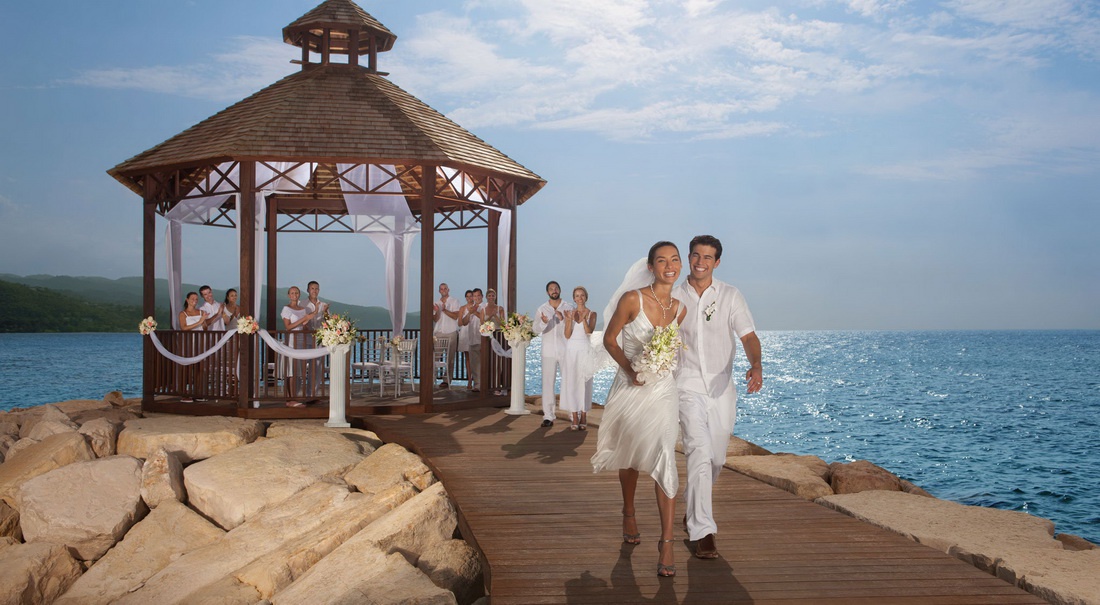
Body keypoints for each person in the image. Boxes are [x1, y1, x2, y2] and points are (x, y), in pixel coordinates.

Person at [591, 242, 688, 578]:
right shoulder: (632, 299)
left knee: (664, 454)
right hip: (631, 386)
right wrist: (631, 369)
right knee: (631, 455)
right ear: (651, 267)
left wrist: (661, 366)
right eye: (662, 260)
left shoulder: (680, 308)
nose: (669, 266)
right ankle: (629, 511)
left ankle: (667, 542)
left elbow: (672, 351)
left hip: (663, 390)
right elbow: (610, 340)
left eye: (674, 260)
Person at [674, 234, 763, 560]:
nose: (701, 262)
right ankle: (703, 531)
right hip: (686, 385)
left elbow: (748, 336)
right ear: (689, 257)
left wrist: (756, 365)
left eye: (708, 257)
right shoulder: (673, 295)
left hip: (722, 388)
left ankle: (693, 504)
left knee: (715, 459)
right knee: (698, 452)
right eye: (696, 255)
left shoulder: (730, 295)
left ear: (717, 262)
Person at [532, 281, 573, 427]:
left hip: (565, 350)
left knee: (568, 381)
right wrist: (543, 322)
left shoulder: (568, 307)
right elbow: (535, 329)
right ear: (547, 292)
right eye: (551, 289)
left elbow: (573, 329)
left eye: (556, 288)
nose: (554, 290)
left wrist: (563, 320)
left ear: (560, 290)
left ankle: (572, 414)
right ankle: (548, 416)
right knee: (548, 383)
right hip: (548, 351)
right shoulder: (542, 309)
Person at [561, 286, 596, 430]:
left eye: (582, 295)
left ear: (586, 297)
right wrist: (569, 320)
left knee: (585, 382)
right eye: (577, 295)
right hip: (571, 350)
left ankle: (584, 414)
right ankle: (574, 415)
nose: (579, 298)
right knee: (572, 382)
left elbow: (589, 332)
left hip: (585, 349)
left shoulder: (592, 313)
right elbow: (567, 335)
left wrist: (584, 320)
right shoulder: (570, 313)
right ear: (574, 298)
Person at [280, 285, 317, 408]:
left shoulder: (302, 309)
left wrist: (306, 323)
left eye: (296, 293)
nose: (294, 295)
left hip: (302, 340)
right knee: (292, 369)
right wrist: (304, 319)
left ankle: (296, 396)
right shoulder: (286, 309)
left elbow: (303, 326)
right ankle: (291, 399)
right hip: (292, 341)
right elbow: (288, 327)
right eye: (292, 293)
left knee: (299, 370)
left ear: (299, 294)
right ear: (289, 295)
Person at [432, 283, 461, 388]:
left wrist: (444, 310)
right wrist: (438, 311)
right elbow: (435, 319)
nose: (443, 290)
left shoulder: (454, 301)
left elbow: (455, 316)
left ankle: (446, 380)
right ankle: (432, 378)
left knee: (450, 358)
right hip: (439, 332)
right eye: (441, 289)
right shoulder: (436, 303)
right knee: (434, 357)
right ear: (439, 291)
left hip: (451, 332)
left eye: (445, 288)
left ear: (448, 290)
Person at [478, 288, 507, 395]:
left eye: (493, 296)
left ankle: (498, 385)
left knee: (498, 362)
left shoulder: (500, 309)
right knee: (488, 361)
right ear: (486, 297)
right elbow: (482, 323)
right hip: (488, 338)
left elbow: (503, 324)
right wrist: (490, 316)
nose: (491, 297)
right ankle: (488, 385)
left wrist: (495, 315)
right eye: (489, 296)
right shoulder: (483, 310)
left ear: (495, 297)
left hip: (498, 336)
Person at [178, 291, 205, 403]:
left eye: (196, 299)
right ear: (187, 300)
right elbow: (183, 328)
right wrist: (199, 322)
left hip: (200, 343)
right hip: (188, 343)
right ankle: (185, 393)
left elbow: (204, 327)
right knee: (187, 368)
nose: (195, 301)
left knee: (199, 368)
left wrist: (204, 322)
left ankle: (197, 393)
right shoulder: (183, 314)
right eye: (192, 298)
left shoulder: (201, 312)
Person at [304, 280, 328, 398]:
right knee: (301, 367)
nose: (314, 291)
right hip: (305, 339)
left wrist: (326, 313)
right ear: (308, 290)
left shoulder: (323, 305)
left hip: (318, 340)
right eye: (312, 288)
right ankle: (297, 394)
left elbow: (327, 322)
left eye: (316, 288)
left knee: (317, 367)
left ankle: (313, 394)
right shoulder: (302, 304)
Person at [456, 290, 476, 389]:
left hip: (474, 332)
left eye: (471, 296)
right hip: (464, 332)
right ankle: (469, 380)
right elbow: (459, 323)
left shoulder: (476, 307)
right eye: (467, 296)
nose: (469, 298)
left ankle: (476, 379)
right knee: (467, 358)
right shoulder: (462, 308)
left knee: (475, 357)